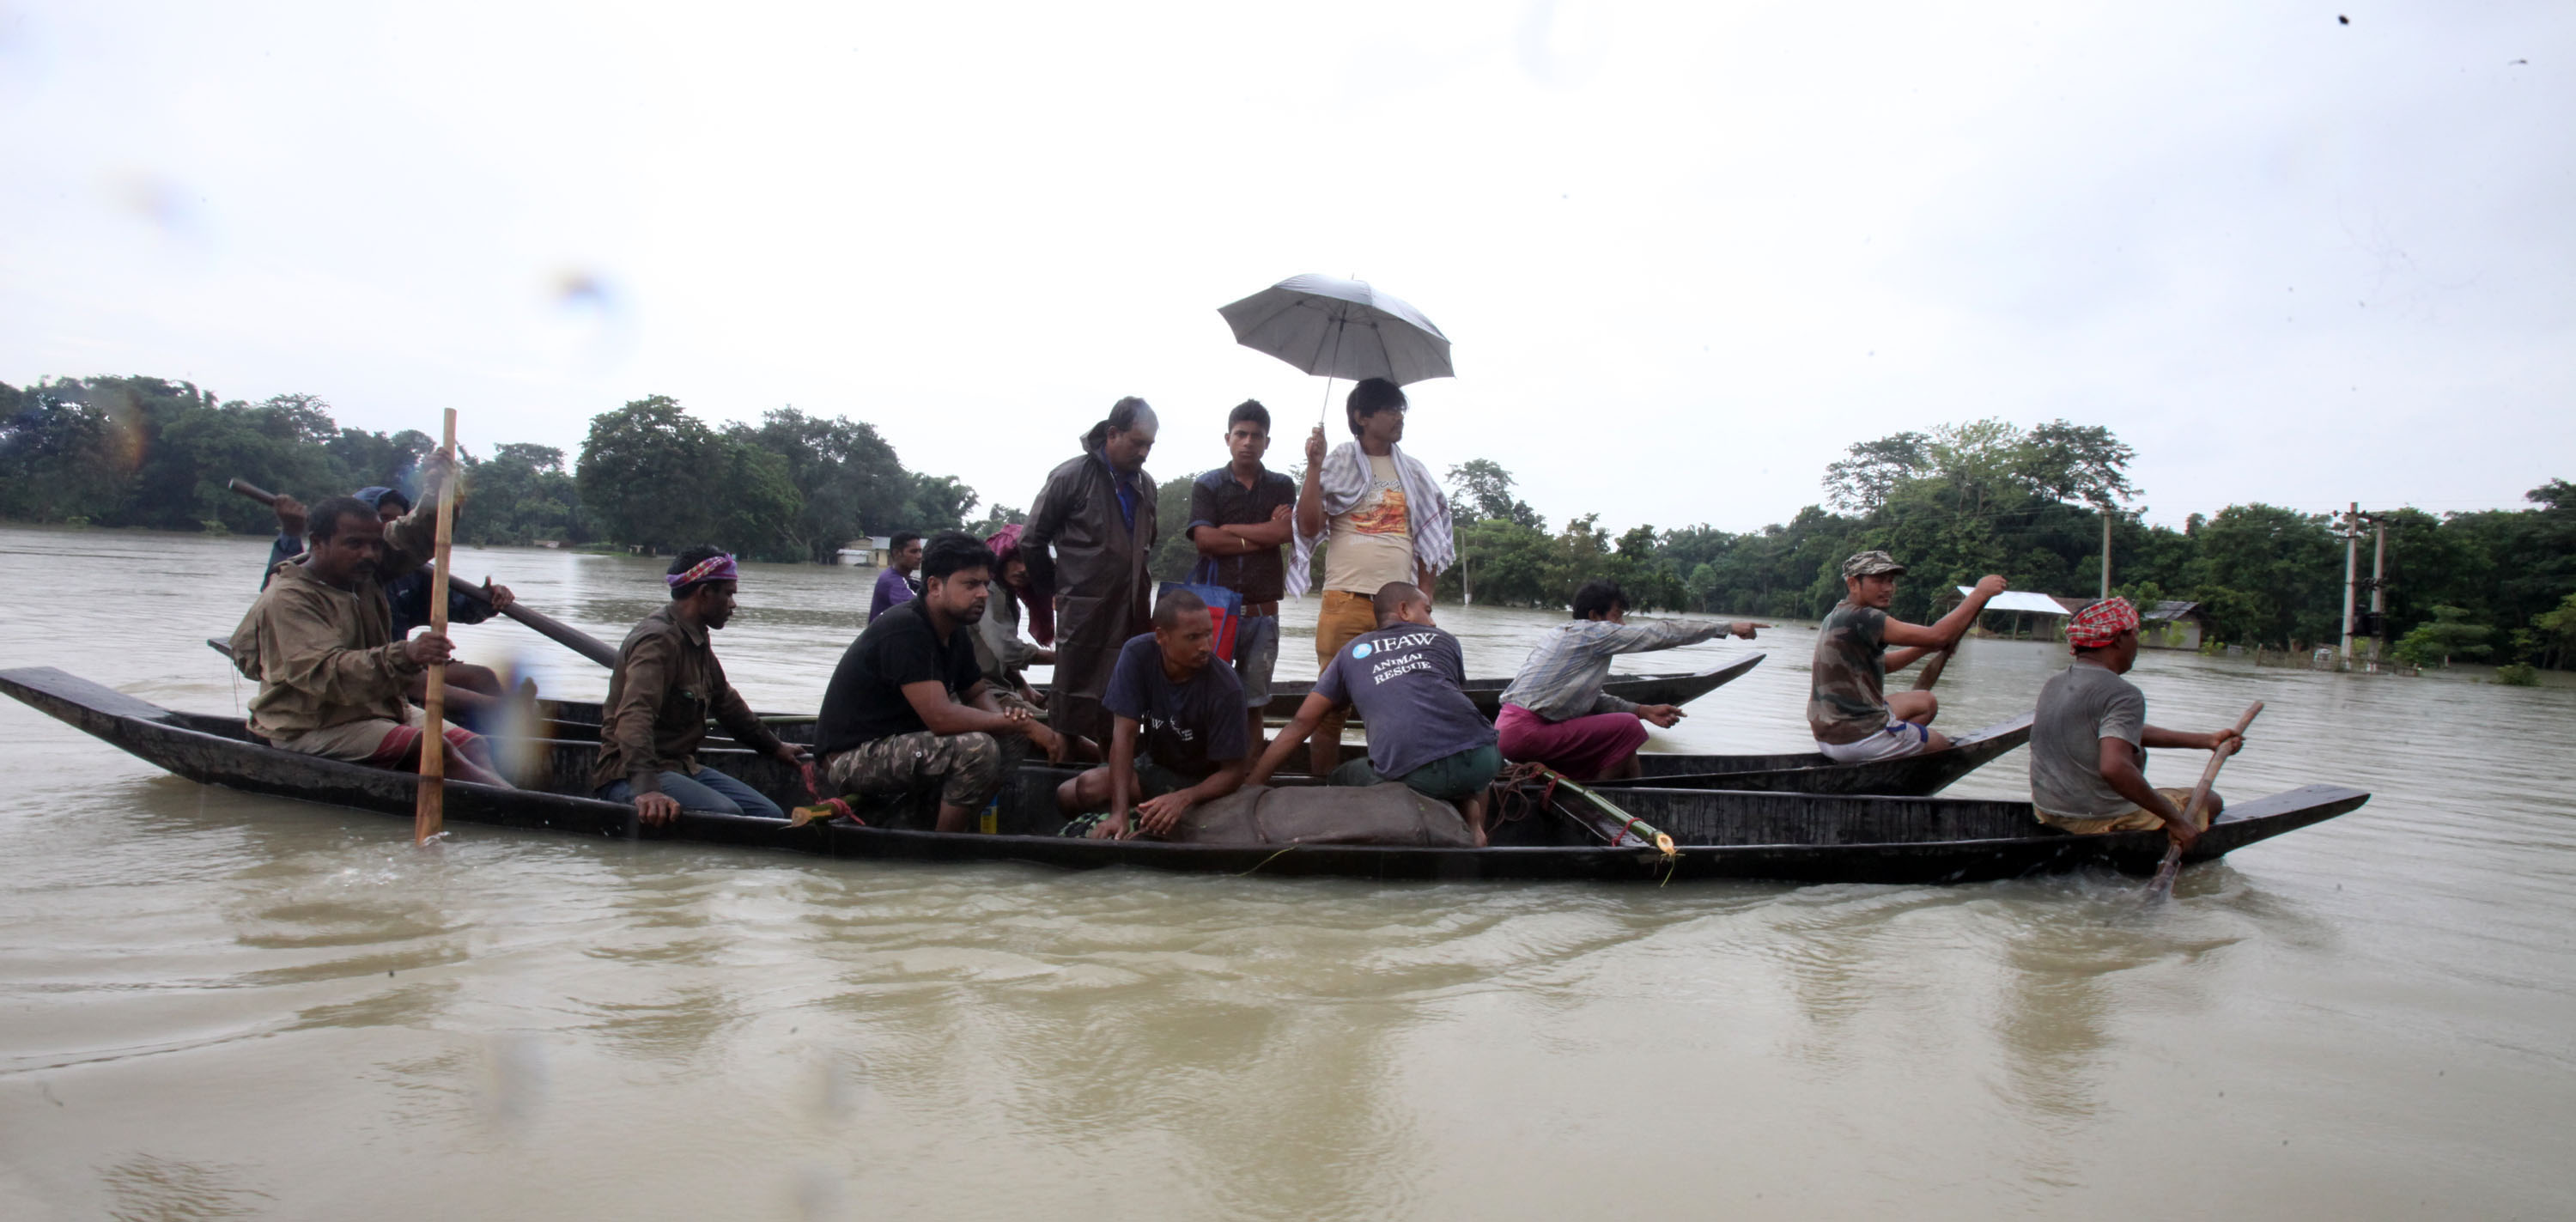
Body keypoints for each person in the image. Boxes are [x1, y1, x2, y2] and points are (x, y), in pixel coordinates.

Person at [227, 495, 509, 787]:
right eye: (354, 544)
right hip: (310, 723)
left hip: (378, 706)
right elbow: (326, 672)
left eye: (375, 545)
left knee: (472, 744)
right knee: (432, 749)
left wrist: (440, 490)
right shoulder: (289, 599)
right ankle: (515, 810)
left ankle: (508, 798)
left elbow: (416, 537)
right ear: (319, 542)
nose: (369, 554)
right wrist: (406, 654)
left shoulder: (367, 575)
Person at [815, 532, 1068, 832]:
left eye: (985, 584)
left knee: (1009, 739)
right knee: (977, 749)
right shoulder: (907, 628)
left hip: (902, 745)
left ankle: (933, 818)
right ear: (934, 586)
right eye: (970, 584)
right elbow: (941, 718)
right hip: (851, 758)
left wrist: (1010, 721)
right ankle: (942, 846)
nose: (983, 594)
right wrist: (1022, 723)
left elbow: (976, 693)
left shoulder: (955, 628)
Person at [1249, 582, 1503, 843]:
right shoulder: (1444, 640)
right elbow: (1447, 706)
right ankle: (1472, 820)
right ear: (1404, 610)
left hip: (1420, 773)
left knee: (1342, 775)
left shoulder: (1350, 653)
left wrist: (1252, 786)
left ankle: (1438, 817)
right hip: (1486, 758)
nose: (1434, 622)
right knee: (1470, 750)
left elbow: (1302, 723)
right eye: (1428, 610)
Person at [1289, 377, 1455, 776]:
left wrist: (1425, 596)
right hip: (1344, 600)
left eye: (1401, 410)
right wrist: (1313, 466)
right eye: (1391, 409)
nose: (1399, 417)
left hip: (1400, 611)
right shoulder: (1337, 462)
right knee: (1329, 709)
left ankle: (1391, 786)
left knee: (1398, 703)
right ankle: (1325, 795)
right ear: (1362, 417)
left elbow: (1429, 541)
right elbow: (1309, 526)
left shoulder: (1413, 472)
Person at [592, 547, 805, 824]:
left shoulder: (696, 637)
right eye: (728, 594)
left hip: (680, 767)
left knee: (767, 815)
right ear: (704, 593)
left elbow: (726, 703)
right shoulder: (658, 641)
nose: (733, 605)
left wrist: (775, 747)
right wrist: (647, 790)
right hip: (629, 775)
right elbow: (634, 715)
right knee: (728, 816)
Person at [1495, 580, 1767, 781]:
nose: (1622, 624)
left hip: (1509, 732)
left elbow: (1591, 699)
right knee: (1625, 728)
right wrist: (1727, 627)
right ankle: (1604, 801)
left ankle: (1627, 790)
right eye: (1617, 616)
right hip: (1526, 733)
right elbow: (1661, 633)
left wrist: (1643, 711)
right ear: (1594, 616)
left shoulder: (1563, 634)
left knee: (1625, 733)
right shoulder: (1595, 634)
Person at [2029, 598, 2244, 846]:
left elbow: (2120, 731)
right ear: (2120, 639)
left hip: (2046, 812)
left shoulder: (2054, 683)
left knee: (2138, 760)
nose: (2137, 644)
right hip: (2096, 820)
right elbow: (2114, 768)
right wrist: (2176, 822)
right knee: (2211, 801)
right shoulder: (2123, 693)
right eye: (2136, 635)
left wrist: (2207, 741)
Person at [1056, 588, 1252, 840]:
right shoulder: (1138, 654)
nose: (1205, 647)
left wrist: (1183, 798)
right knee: (1068, 793)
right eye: (1192, 637)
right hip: (1155, 765)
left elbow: (1234, 773)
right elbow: (1124, 735)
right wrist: (1119, 814)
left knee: (1091, 787)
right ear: (1162, 636)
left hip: (1200, 782)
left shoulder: (1226, 687)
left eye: (1208, 634)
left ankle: (1149, 818)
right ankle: (1127, 818)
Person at [1022, 397, 1159, 748]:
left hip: (1132, 609)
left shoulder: (1147, 486)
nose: (1144, 452)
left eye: (1150, 445)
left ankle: (1110, 775)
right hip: (1083, 608)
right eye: (1137, 442)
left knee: (1125, 695)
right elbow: (1032, 542)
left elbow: (1147, 544)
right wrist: (1057, 589)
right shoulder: (1071, 476)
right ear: (1112, 434)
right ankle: (1064, 772)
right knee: (1073, 694)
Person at [1809, 551, 2007, 762]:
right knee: (1941, 745)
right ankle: (1893, 746)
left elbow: (1885, 664)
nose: (1887, 588)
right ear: (1853, 584)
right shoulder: (1864, 617)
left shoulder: (1837, 615)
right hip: (1856, 738)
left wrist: (1926, 648)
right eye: (1878, 581)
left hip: (1828, 734)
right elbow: (1939, 635)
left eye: (1890, 581)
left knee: (1925, 701)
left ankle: (1896, 745)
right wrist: (1979, 594)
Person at [1186, 399, 1297, 753]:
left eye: (1257, 436)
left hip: (1263, 613)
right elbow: (1205, 540)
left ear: (1267, 442)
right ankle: (1206, 771)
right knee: (1205, 695)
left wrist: (1231, 532)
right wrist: (1265, 533)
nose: (1248, 441)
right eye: (1241, 434)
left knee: (1254, 704)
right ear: (1228, 438)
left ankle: (1249, 780)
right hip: (1216, 612)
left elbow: (1286, 534)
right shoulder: (1208, 485)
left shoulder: (1282, 485)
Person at [972, 524, 1057, 712]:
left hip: (996, 686)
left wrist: (1022, 684)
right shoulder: (989, 591)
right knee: (1050, 730)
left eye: (1030, 563)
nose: (1023, 569)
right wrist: (1062, 657)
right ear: (1001, 559)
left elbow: (1000, 657)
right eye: (1017, 560)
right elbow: (1006, 650)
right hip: (975, 691)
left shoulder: (1009, 596)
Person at [866, 532, 924, 622]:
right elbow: (920, 608)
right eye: (913, 551)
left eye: (920, 551)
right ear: (897, 553)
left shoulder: (908, 580)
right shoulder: (891, 581)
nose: (919, 556)